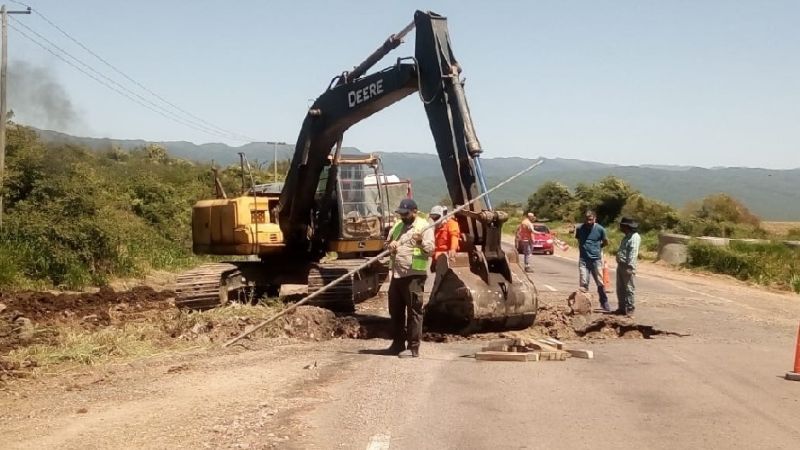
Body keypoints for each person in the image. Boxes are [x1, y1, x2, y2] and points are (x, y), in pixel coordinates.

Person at [384, 198, 435, 358]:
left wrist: (420, 242)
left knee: (414, 312)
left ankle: (413, 348)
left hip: (414, 275)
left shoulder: (424, 227)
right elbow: (387, 244)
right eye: (401, 214)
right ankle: (397, 344)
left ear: (414, 211)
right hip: (397, 275)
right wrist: (390, 245)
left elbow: (431, 250)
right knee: (396, 311)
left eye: (406, 214)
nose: (403, 217)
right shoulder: (398, 225)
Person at [574, 210, 611, 311]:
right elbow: (578, 240)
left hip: (596, 260)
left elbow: (606, 241)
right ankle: (583, 305)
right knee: (583, 282)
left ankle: (604, 302)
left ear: (595, 219)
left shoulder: (600, 229)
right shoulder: (580, 228)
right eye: (586, 220)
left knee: (600, 282)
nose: (588, 222)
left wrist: (598, 248)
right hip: (583, 260)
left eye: (590, 220)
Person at [615, 217, 641, 316]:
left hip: (627, 266)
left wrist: (630, 267)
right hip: (621, 264)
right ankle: (621, 308)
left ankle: (630, 308)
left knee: (629, 288)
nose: (620, 227)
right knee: (620, 288)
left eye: (622, 225)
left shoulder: (634, 237)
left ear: (626, 226)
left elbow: (633, 253)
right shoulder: (626, 236)